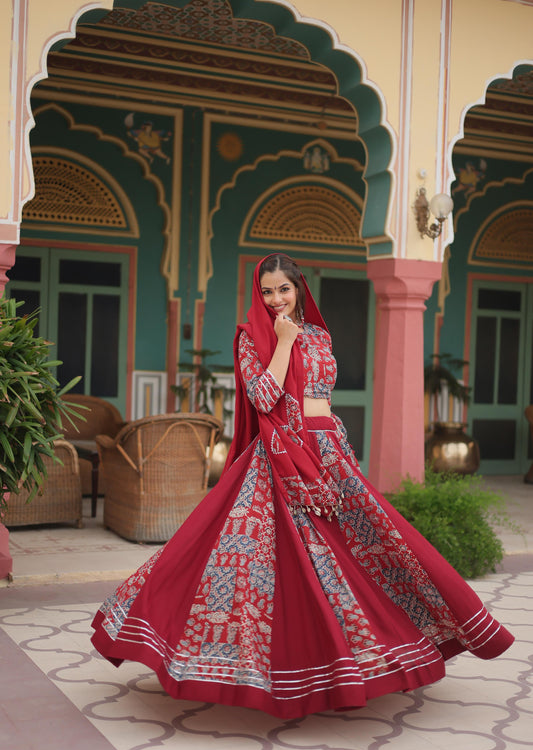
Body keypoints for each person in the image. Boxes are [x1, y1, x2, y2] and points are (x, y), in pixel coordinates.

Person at [91, 253, 513, 718]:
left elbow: (322, 400)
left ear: (299, 289)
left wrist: (338, 450)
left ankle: (371, 656)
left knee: (370, 548)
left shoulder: (320, 335)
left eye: (283, 289)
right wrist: (283, 344)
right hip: (277, 458)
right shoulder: (252, 339)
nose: (275, 300)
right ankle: (262, 666)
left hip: (329, 453)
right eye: (267, 291)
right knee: (264, 564)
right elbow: (264, 397)